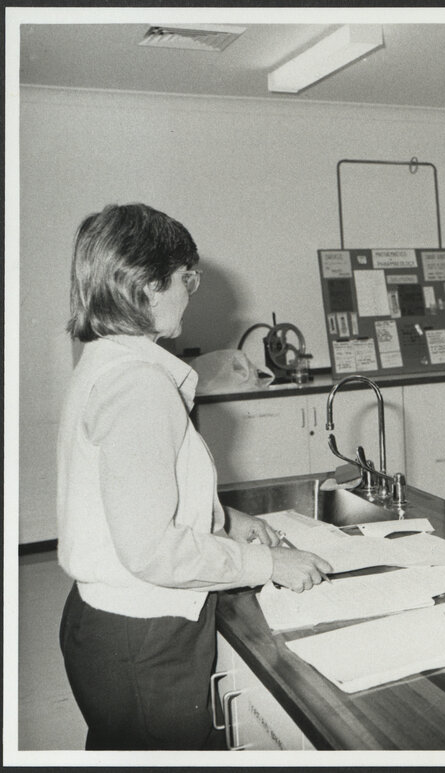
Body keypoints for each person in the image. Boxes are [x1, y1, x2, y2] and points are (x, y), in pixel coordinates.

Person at [57, 203, 333, 750]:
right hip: (145, 631)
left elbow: (127, 495)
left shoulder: (105, 361)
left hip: (111, 618)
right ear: (147, 285)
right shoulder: (139, 383)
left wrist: (225, 518)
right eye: (187, 279)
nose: (192, 292)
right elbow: (152, 550)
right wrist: (269, 563)